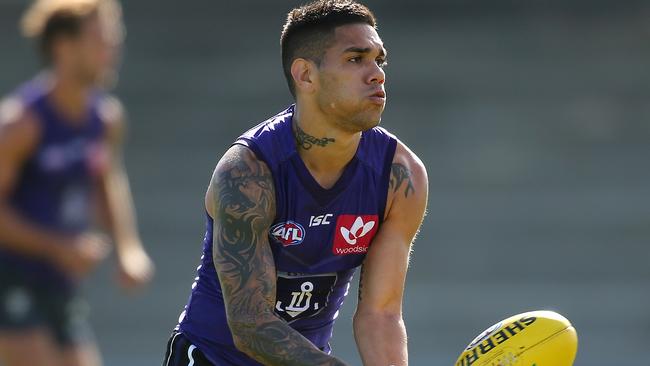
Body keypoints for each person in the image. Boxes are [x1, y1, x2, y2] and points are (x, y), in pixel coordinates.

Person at [163, 1, 427, 365]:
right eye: (355, 59)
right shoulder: (248, 172)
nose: (377, 74)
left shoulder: (401, 176)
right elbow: (250, 325)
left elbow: (380, 315)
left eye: (379, 60)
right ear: (305, 75)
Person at [0, 1, 154, 365]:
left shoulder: (105, 119)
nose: (112, 50)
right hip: (9, 280)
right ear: (63, 46)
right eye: (101, 39)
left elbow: (106, 180)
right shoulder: (22, 124)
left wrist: (127, 249)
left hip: (58, 284)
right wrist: (59, 247)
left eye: (115, 40)